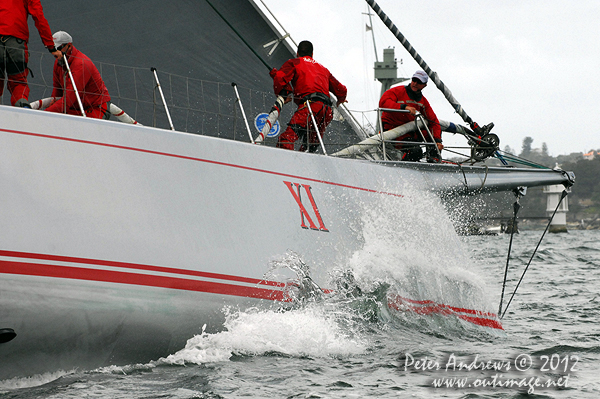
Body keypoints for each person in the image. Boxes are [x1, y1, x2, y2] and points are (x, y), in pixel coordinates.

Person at [271, 40, 347, 152]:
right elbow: (342, 89)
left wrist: (283, 94)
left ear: (297, 53)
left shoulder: (294, 62)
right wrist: (341, 99)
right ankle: (303, 166)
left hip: (309, 107)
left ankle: (284, 164)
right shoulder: (323, 69)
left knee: (287, 139)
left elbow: (280, 78)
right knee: (310, 146)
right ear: (312, 54)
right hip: (326, 111)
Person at [0, 0, 62, 107]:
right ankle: (22, 108)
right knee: (18, 83)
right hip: (16, 41)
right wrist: (51, 47)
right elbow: (38, 16)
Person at [379, 70, 443, 162]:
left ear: (424, 85)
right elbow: (383, 102)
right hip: (391, 131)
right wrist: (403, 107)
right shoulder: (397, 91)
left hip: (409, 132)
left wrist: (437, 141)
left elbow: (434, 121)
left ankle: (433, 160)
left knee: (433, 132)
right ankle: (402, 168)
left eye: (419, 82)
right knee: (415, 151)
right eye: (414, 80)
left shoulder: (423, 102)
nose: (415, 83)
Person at [45, 31, 110, 119]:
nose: (54, 53)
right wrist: (53, 104)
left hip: (95, 109)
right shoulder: (59, 62)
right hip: (75, 108)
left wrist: (43, 116)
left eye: (58, 48)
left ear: (69, 46)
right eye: (52, 49)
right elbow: (57, 90)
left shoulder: (81, 65)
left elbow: (68, 100)